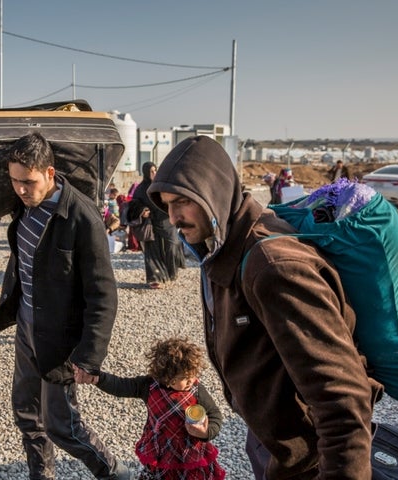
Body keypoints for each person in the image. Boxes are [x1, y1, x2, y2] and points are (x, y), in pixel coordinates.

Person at [147, 136, 383, 479]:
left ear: (213, 193)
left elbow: (342, 401)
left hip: (309, 458)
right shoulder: (222, 245)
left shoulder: (273, 267)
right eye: (167, 204)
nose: (173, 217)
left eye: (183, 201)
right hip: (273, 441)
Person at [0, 132, 129, 480]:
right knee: (26, 412)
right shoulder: (23, 205)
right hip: (27, 328)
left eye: (28, 182)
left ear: (50, 174)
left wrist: (88, 358)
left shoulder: (81, 217)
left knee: (63, 426)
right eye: (14, 180)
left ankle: (115, 473)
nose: (20, 189)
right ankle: (43, 475)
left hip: (60, 341)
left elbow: (103, 294)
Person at [76, 337, 226, 480]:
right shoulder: (149, 386)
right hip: (160, 454)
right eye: (184, 378)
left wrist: (206, 432)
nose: (191, 381)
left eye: (193, 376)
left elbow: (215, 414)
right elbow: (122, 386)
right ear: (167, 377)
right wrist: (98, 379)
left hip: (191, 454)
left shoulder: (196, 390)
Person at [127, 162, 184, 289]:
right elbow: (134, 204)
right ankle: (155, 278)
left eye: (155, 170)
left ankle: (170, 274)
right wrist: (143, 211)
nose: (154, 173)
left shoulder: (162, 186)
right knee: (153, 251)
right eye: (151, 171)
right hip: (151, 223)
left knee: (173, 246)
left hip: (167, 222)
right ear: (146, 173)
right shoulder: (141, 189)